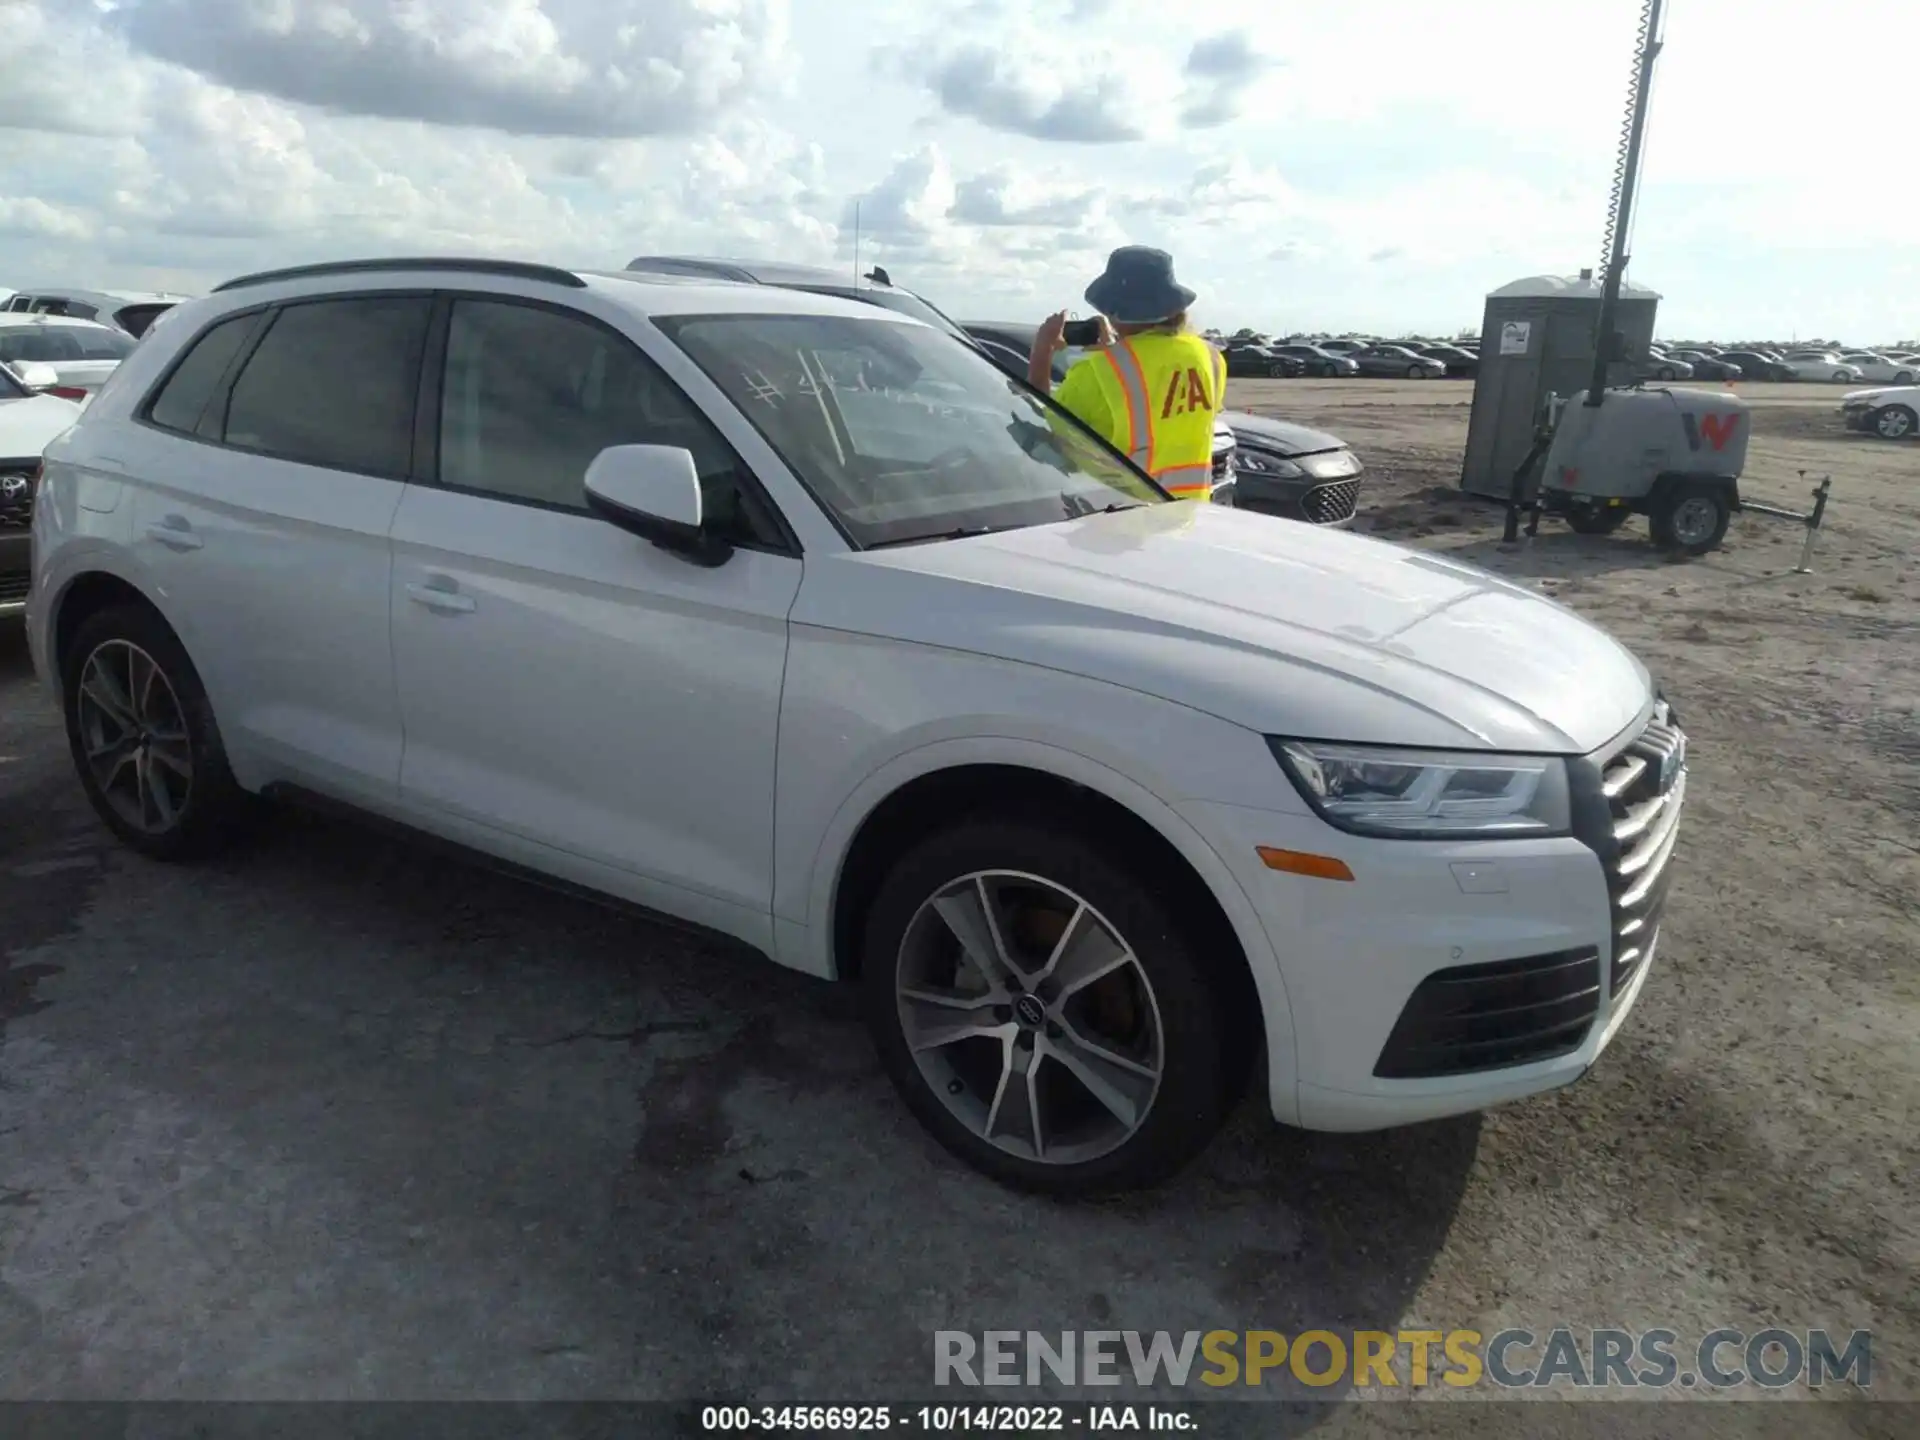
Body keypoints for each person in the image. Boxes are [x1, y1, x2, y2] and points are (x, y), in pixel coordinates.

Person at [1028, 246, 1226, 501]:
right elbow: (1162, 403)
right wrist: (1119, 350)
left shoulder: (1097, 372)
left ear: (1113, 309)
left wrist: (1042, 351)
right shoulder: (1210, 357)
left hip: (1121, 518)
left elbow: (1040, 422)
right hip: (1188, 513)